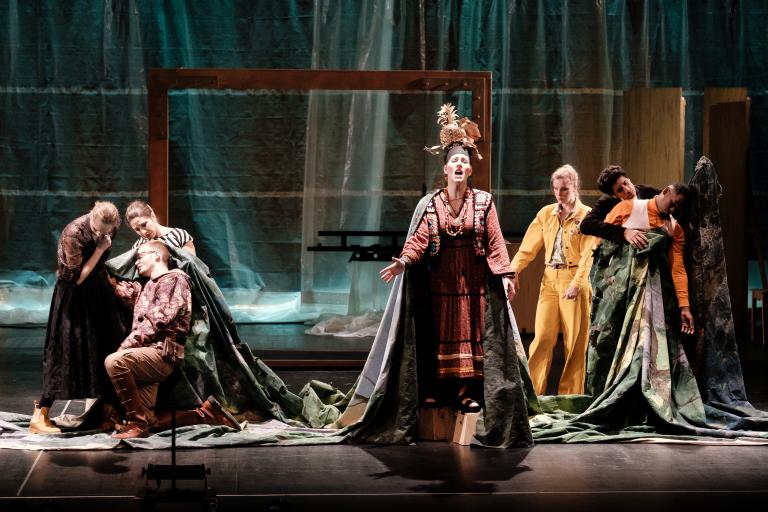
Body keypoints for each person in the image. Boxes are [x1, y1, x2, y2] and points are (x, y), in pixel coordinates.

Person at [365, 103, 532, 447]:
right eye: (454, 160)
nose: (459, 165)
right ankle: (438, 391)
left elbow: (495, 240)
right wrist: (404, 261)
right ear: (445, 168)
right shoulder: (432, 204)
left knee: (472, 336)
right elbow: (419, 239)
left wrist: (506, 274)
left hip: (474, 283)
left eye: (464, 161)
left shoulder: (483, 201)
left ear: (469, 169)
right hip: (440, 284)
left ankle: (466, 393)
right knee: (437, 336)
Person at [105, 240, 241, 439]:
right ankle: (206, 414)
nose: (136, 262)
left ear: (156, 255)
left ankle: (137, 425)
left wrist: (124, 347)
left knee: (115, 362)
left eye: (140, 256)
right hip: (147, 353)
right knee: (150, 421)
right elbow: (135, 300)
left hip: (161, 353)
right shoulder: (149, 285)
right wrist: (112, 283)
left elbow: (157, 320)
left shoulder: (174, 279)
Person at [30, 201, 126, 434]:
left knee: (108, 347)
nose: (103, 234)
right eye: (98, 229)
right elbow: (76, 279)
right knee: (65, 353)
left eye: (107, 231)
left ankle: (107, 411)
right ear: (91, 216)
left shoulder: (111, 227)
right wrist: (100, 249)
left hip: (97, 292)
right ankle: (40, 415)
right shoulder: (73, 233)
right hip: (74, 296)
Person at [508, 164, 594, 395]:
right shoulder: (546, 213)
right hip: (550, 279)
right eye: (556, 189)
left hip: (573, 277)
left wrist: (577, 284)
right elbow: (528, 248)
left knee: (574, 343)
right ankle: (533, 394)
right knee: (542, 337)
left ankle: (570, 397)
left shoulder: (586, 215)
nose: (559, 193)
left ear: (575, 187)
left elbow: (589, 254)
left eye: (564, 189)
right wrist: (512, 271)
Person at [580, 165, 660, 250]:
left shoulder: (647, 191)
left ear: (629, 179)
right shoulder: (606, 202)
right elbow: (586, 225)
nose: (627, 190)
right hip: (623, 250)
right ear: (613, 195)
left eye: (625, 183)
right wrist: (624, 232)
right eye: (620, 190)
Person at [124, 200, 196, 254]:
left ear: (152, 216)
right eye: (137, 229)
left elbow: (192, 265)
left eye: (144, 224)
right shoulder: (138, 246)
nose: (143, 232)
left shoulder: (179, 235)